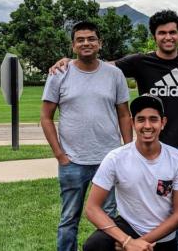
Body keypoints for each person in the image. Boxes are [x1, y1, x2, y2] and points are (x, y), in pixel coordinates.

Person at [50, 10, 178, 251]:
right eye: (161, 32)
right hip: (146, 147)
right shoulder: (139, 61)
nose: (168, 37)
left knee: (177, 216)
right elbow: (100, 64)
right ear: (154, 36)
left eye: (172, 32)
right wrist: (70, 62)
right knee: (137, 208)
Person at [41, 21, 132, 251]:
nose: (86, 43)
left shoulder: (114, 74)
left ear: (99, 43)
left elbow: (124, 114)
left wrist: (128, 150)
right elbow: (46, 117)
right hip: (73, 161)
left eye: (91, 38)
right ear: (73, 46)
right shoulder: (59, 74)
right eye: (80, 39)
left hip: (108, 159)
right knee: (69, 218)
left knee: (109, 219)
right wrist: (60, 155)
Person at [83, 94, 178, 251]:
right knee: (95, 245)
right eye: (141, 119)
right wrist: (126, 241)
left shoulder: (177, 159)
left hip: (162, 236)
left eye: (153, 119)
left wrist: (138, 243)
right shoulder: (116, 158)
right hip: (129, 227)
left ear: (163, 123)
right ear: (133, 123)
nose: (147, 125)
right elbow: (92, 208)